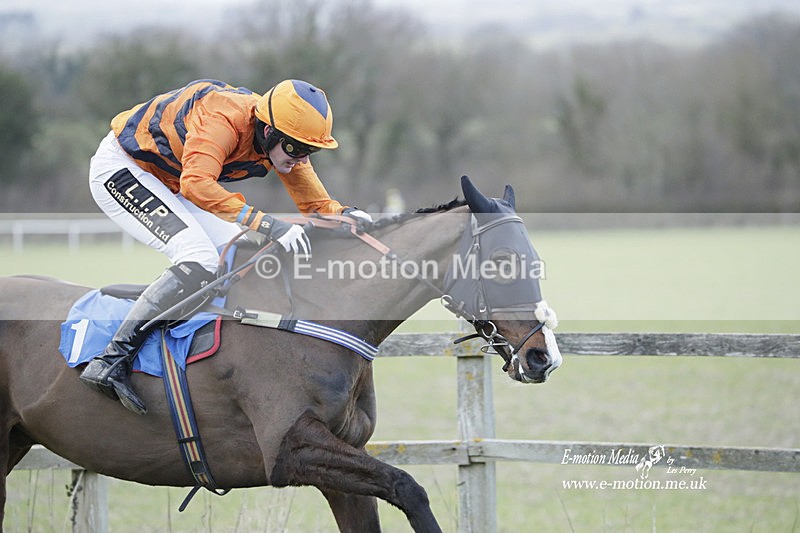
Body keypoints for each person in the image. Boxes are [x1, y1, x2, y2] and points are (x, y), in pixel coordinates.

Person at [80, 79, 372, 415]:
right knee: (199, 257)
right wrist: (268, 224)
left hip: (170, 178)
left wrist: (346, 215)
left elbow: (316, 205)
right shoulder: (224, 118)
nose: (301, 159)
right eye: (294, 149)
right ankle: (110, 360)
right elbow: (196, 183)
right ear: (268, 132)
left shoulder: (281, 139)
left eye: (310, 151)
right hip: (125, 168)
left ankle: (192, 350)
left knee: (234, 251)